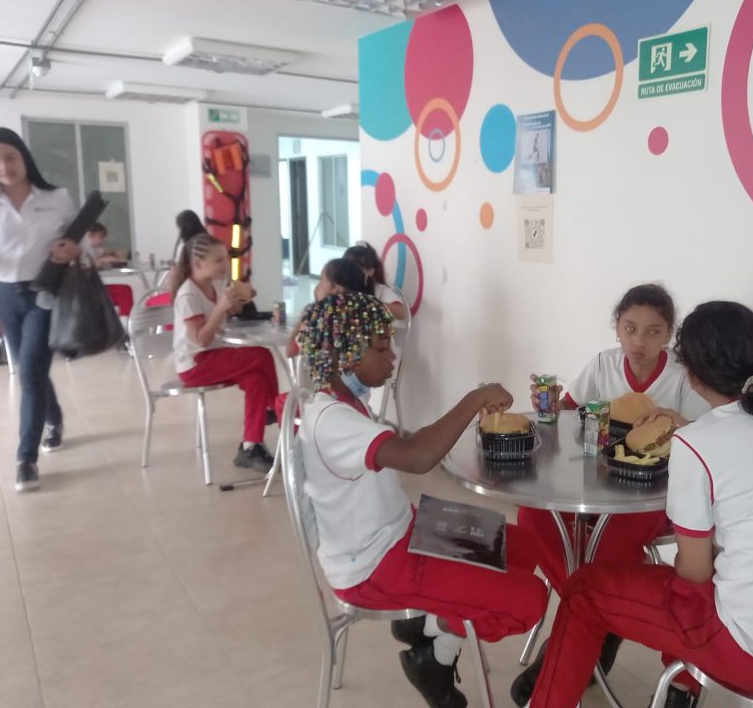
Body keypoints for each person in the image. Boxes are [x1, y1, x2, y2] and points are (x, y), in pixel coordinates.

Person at [525, 301, 753, 708]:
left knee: (585, 589)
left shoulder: (697, 445)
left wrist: (691, 437)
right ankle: (680, 695)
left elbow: (693, 574)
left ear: (689, 373)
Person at [297, 293, 547, 708]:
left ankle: (429, 628)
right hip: (375, 565)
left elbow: (409, 443)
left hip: (401, 529)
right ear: (344, 357)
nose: (392, 356)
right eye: (381, 347)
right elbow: (418, 458)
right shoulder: (333, 421)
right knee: (530, 599)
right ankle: (435, 652)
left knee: (523, 546)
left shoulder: (342, 404)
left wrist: (460, 420)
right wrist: (475, 397)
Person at [511, 284, 709, 700]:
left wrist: (676, 422)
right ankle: (597, 621)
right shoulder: (603, 364)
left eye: (653, 331)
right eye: (630, 328)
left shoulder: (680, 377)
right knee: (534, 517)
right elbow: (565, 417)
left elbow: (707, 439)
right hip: (596, 485)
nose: (639, 341)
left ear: (668, 334)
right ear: (617, 328)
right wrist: (548, 405)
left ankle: (578, 636)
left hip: (654, 496)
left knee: (609, 545)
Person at [0, 127, 80, 491]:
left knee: (29, 371)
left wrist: (74, 250)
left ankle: (25, 459)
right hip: (2, 294)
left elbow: (83, 241)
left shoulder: (57, 197)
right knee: (33, 369)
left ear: (24, 156)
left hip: (44, 292)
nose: (3, 167)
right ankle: (53, 418)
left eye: (10, 157)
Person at [172, 232, 278, 473]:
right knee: (261, 355)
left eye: (225, 258)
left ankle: (250, 447)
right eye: (218, 260)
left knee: (256, 379)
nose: (226, 264)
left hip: (214, 355)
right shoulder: (188, 295)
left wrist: (238, 302)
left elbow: (227, 316)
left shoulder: (215, 285)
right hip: (195, 364)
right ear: (199, 264)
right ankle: (272, 408)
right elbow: (201, 340)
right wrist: (221, 308)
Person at [285, 257, 370, 359]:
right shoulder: (363, 314)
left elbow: (290, 351)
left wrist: (303, 319)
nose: (317, 287)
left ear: (335, 288)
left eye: (321, 280)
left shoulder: (318, 318)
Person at [343, 242, 407, 319]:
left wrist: (372, 303)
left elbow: (401, 312)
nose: (351, 274)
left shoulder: (380, 290)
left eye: (357, 270)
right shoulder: (339, 287)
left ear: (371, 272)